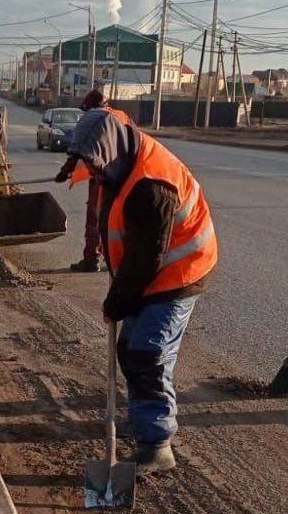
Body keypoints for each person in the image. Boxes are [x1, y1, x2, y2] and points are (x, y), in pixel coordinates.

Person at [68, 109, 217, 473]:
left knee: (148, 354)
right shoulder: (119, 161)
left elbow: (147, 258)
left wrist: (117, 301)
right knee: (128, 349)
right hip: (149, 271)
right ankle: (145, 422)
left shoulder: (152, 185)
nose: (97, 174)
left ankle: (157, 445)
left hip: (180, 272)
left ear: (111, 150)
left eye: (98, 167)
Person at [55, 89, 135, 272]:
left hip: (104, 176)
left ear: (90, 106)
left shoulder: (94, 118)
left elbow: (77, 149)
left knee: (95, 217)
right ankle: (118, 258)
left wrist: (65, 172)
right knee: (121, 217)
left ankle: (92, 258)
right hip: (127, 175)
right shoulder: (121, 117)